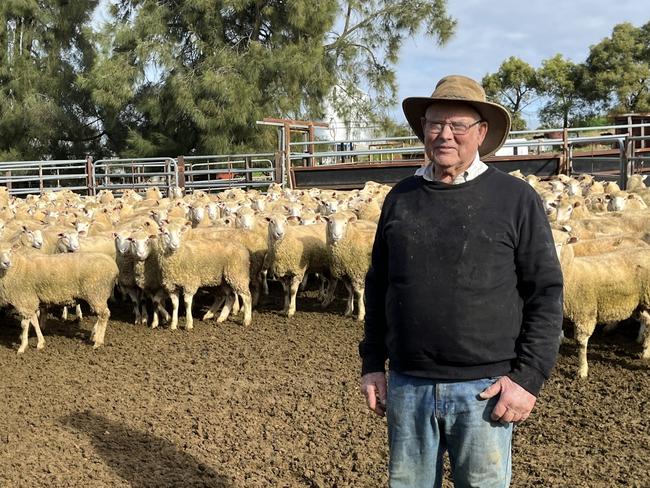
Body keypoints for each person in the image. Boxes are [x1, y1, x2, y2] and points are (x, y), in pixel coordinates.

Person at [359, 75, 564, 487]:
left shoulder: (515, 199)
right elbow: (379, 285)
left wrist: (527, 380)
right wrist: (371, 364)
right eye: (435, 124)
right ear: (423, 131)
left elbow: (545, 292)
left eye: (458, 126)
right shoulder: (400, 197)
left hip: (484, 391)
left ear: (481, 132)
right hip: (408, 384)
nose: (445, 135)